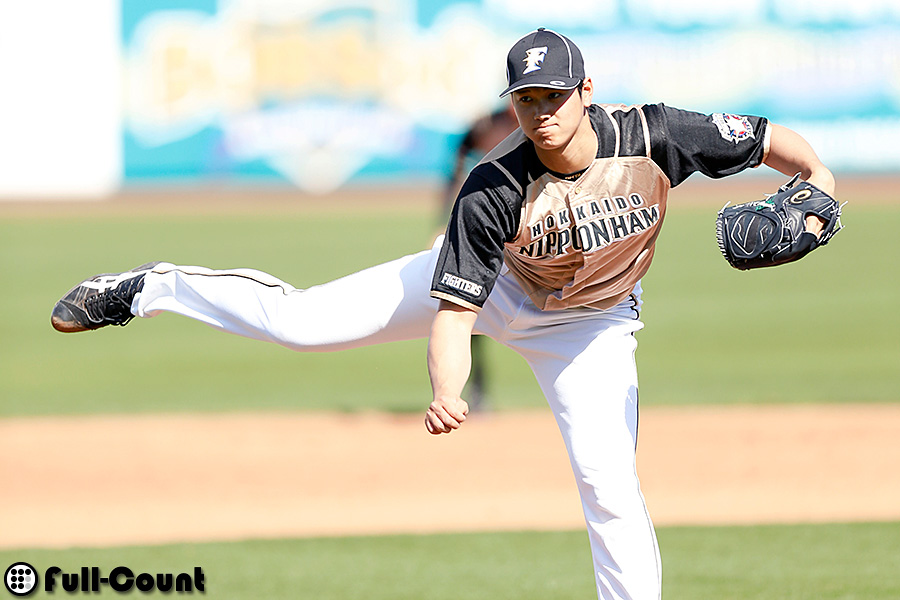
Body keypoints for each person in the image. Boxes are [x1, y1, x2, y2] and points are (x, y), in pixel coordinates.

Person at [51, 28, 836, 600]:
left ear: (585, 92)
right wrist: (448, 392)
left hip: (590, 327)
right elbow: (454, 315)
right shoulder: (493, 185)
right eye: (525, 99)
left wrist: (823, 185)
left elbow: (772, 142)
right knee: (300, 323)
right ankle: (151, 288)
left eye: (553, 96)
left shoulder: (657, 135)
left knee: (608, 485)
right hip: (489, 288)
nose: (540, 112)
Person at [441, 102, 519, 409]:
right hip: (485, 230)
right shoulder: (488, 124)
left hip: (528, 232)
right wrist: (443, 221)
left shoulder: (540, 123)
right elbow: (457, 161)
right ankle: (477, 390)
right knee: (465, 307)